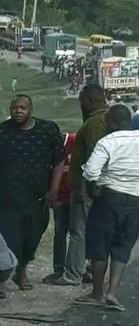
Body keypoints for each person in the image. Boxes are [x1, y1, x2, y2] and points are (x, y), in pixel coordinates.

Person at [0, 95, 64, 290]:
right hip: (4, 199)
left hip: (37, 198)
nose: (18, 111)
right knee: (7, 241)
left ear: (30, 110)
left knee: (31, 240)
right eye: (14, 108)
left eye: (23, 108)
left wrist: (54, 189)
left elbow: (59, 161)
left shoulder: (48, 131)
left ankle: (21, 272)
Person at [77, 104, 139, 312]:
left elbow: (91, 172)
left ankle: (97, 293)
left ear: (110, 122)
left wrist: (93, 189)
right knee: (123, 247)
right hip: (136, 201)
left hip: (109, 197)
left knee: (99, 244)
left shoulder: (107, 142)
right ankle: (112, 292)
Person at [53, 84, 107, 287]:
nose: (81, 106)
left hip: (87, 187)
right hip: (95, 187)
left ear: (91, 101)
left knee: (78, 232)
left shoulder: (93, 123)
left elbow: (95, 155)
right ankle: (87, 269)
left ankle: (73, 274)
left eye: (82, 101)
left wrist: (87, 186)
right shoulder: (105, 119)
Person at [43, 132, 76, 283]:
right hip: (59, 198)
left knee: (78, 234)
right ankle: (58, 269)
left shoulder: (75, 141)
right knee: (60, 232)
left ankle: (79, 269)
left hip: (76, 196)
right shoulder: (45, 147)